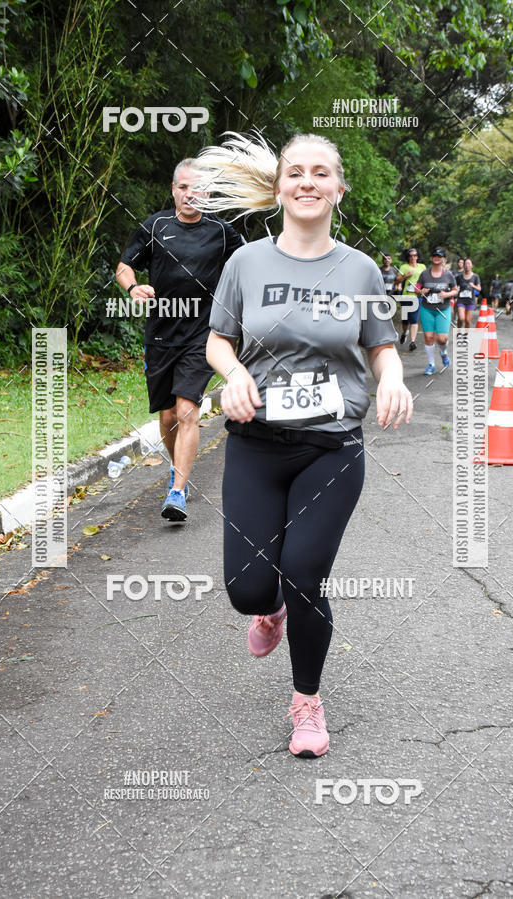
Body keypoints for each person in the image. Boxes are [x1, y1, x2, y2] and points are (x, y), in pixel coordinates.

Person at [196, 131, 413, 758]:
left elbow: (381, 346)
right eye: (296, 172)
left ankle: (307, 702)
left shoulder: (360, 269)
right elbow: (218, 341)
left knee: (304, 574)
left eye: (322, 173)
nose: (308, 182)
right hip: (256, 446)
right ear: (280, 187)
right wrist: (234, 374)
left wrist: (393, 378)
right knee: (248, 590)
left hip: (331, 447)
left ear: (339, 188)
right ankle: (269, 611)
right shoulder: (246, 264)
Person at [116, 158, 244, 521]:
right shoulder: (155, 226)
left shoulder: (222, 232)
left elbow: (248, 264)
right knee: (168, 416)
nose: (190, 194)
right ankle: (178, 469)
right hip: (160, 335)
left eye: (198, 188)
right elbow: (124, 266)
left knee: (187, 410)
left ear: (208, 193)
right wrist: (133, 286)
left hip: (202, 334)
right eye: (183, 187)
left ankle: (177, 490)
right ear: (173, 189)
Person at [416, 247, 458, 374]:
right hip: (427, 309)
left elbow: (455, 290)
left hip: (443, 310)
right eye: (434, 255)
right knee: (428, 337)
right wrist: (420, 291)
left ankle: (443, 352)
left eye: (439, 256)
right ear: (431, 258)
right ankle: (431, 364)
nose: (437, 258)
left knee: (442, 339)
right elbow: (416, 288)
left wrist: (447, 294)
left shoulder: (448, 275)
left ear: (443, 259)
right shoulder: (424, 274)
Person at [395, 248, 425, 351]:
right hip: (406, 296)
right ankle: (404, 332)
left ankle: (412, 342)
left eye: (414, 255)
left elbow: (426, 279)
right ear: (408, 257)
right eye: (411, 255)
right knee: (405, 320)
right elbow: (397, 280)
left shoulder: (422, 267)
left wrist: (422, 289)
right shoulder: (404, 267)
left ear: (417, 256)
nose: (413, 257)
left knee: (414, 319)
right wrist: (405, 276)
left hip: (417, 297)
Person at [455, 257, 481, 328]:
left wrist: (473, 286)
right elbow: (454, 287)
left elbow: (479, 289)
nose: (467, 265)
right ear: (463, 266)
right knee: (461, 318)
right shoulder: (459, 277)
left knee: (467, 320)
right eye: (465, 264)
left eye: (469, 264)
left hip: (470, 301)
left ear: (472, 265)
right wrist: (455, 295)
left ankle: (466, 335)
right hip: (461, 300)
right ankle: (459, 333)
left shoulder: (475, 276)